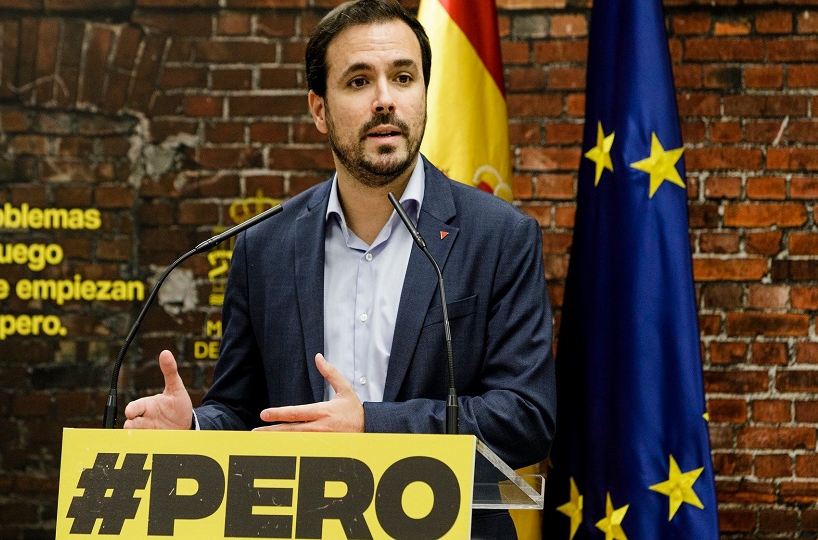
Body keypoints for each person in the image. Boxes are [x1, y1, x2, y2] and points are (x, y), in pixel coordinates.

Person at [124, 0, 556, 537]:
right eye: (358, 81)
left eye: (403, 78)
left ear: (425, 93)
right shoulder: (265, 246)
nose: (385, 99)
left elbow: (525, 417)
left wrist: (371, 426)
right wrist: (191, 430)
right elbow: (242, 410)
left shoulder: (500, 237)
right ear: (319, 110)